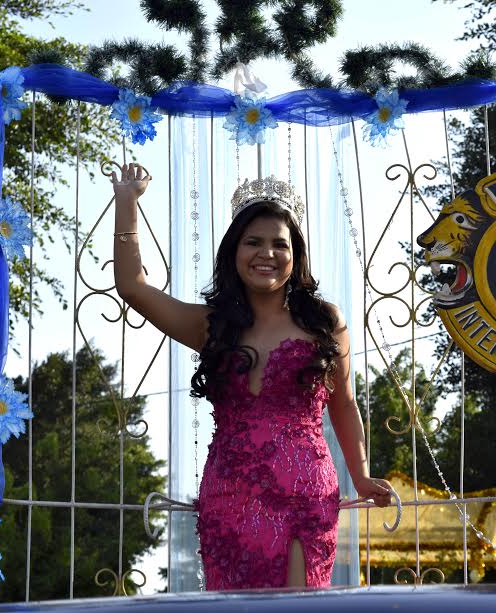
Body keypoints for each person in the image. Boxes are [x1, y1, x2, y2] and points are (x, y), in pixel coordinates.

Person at [110, 163, 396, 589]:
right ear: (234, 252)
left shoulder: (324, 321)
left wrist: (361, 476)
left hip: (305, 492)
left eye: (280, 244)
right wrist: (127, 201)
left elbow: (345, 403)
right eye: (253, 242)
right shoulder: (212, 325)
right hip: (229, 496)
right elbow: (133, 288)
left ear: (295, 255)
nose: (267, 254)